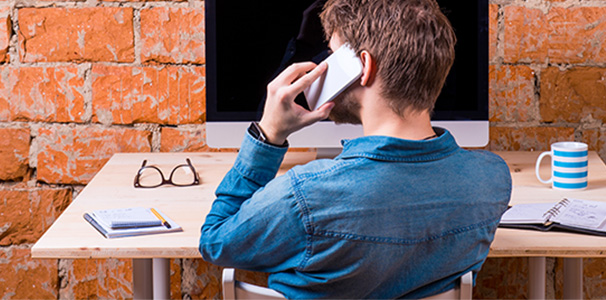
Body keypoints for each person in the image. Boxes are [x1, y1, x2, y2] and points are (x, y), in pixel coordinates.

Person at [199, 0, 512, 298]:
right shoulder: (492, 179)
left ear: (363, 66)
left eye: (332, 55)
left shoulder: (303, 198)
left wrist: (268, 135)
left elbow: (215, 240)